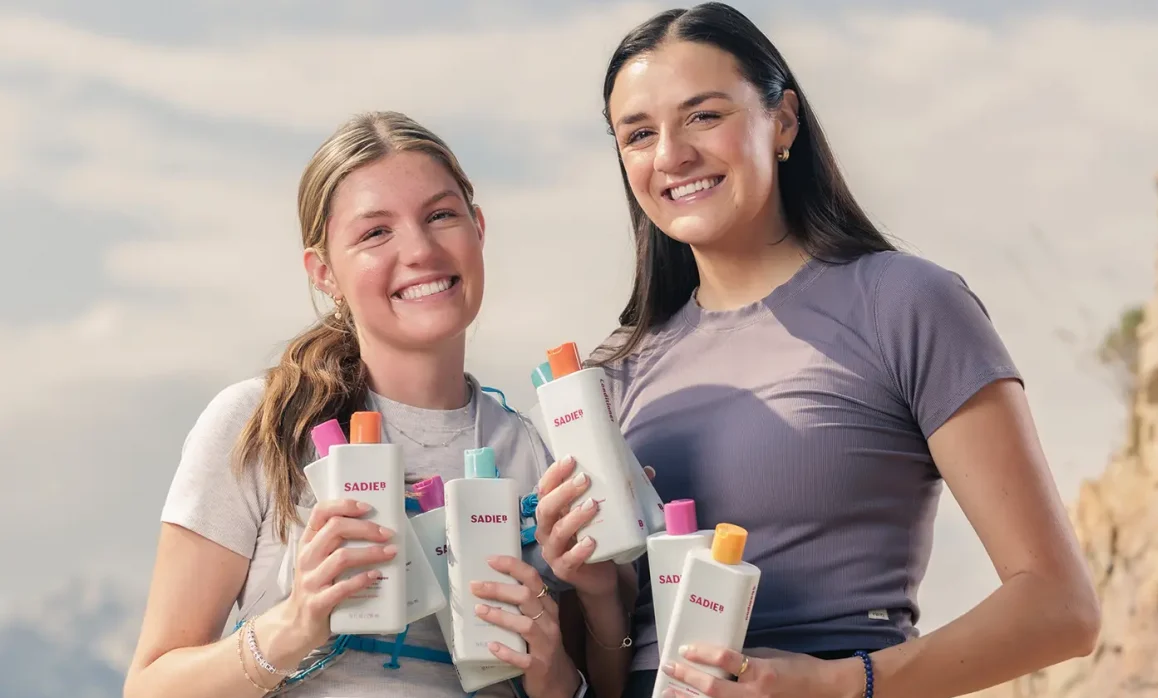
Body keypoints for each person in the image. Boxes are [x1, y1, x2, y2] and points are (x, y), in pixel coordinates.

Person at [539, 4, 1102, 698]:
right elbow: (603, 668)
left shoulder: (903, 304)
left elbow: (1059, 609)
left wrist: (837, 684)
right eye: (638, 134)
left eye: (704, 116)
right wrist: (596, 595)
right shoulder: (612, 375)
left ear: (783, 121)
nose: (670, 154)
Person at [123, 111, 632, 698]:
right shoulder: (257, 427)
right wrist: (297, 621)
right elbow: (149, 686)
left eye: (441, 215)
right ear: (324, 273)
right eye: (374, 232)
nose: (419, 249)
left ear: (479, 230)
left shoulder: (542, 456)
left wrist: (560, 669)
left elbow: (586, 681)